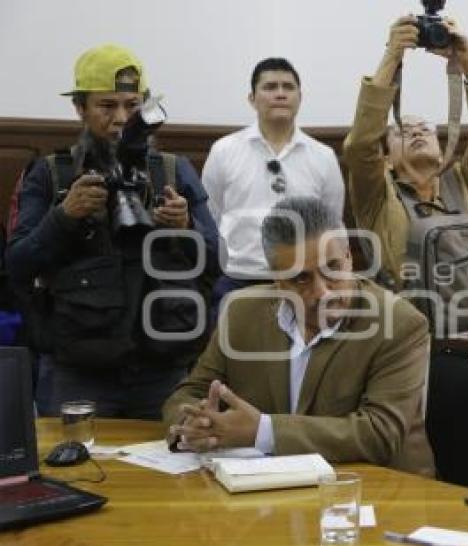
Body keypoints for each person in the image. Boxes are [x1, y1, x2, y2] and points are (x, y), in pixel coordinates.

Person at [5, 44, 219, 419]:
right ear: (80, 108)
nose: (121, 118)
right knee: (70, 458)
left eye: (132, 105)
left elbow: (217, 261)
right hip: (77, 372)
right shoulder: (51, 173)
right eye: (106, 105)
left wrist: (186, 227)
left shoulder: (173, 171)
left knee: (170, 458)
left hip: (162, 370)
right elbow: (17, 266)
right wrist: (64, 217)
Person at [163, 197, 434, 476]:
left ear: (349, 258)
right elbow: (189, 393)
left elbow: (379, 433)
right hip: (268, 487)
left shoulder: (399, 324)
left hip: (379, 489)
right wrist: (196, 424)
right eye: (301, 279)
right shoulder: (242, 312)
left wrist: (263, 432)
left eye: (332, 269)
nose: (322, 292)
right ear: (278, 281)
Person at [343, 15, 468, 291]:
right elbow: (360, 146)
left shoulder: (464, 185)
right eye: (403, 131)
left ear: (443, 154)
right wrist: (392, 56)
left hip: (467, 315)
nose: (417, 132)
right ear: (387, 160)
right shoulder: (377, 195)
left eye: (425, 129)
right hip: (404, 315)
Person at [202, 58, 345, 321]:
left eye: (288, 87)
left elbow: (332, 224)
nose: (280, 94)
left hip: (304, 282)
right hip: (238, 279)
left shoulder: (323, 156)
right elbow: (210, 217)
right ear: (252, 98)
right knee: (232, 347)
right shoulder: (224, 151)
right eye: (270, 87)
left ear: (300, 97)